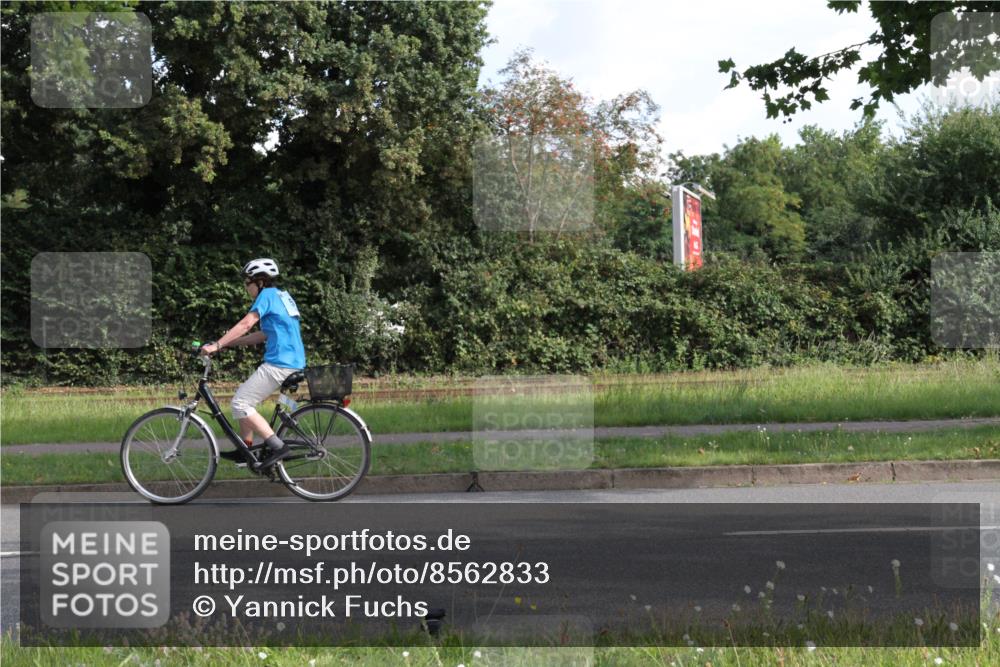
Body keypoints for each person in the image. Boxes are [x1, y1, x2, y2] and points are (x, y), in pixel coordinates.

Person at [199, 258, 306, 468]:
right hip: (292, 361)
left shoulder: (265, 295)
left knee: (240, 403)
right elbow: (263, 334)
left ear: (260, 282)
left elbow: (247, 323)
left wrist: (217, 345)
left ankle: (278, 446)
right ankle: (245, 449)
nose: (246, 288)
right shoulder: (281, 296)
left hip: (280, 363)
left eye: (247, 283)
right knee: (244, 397)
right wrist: (228, 343)